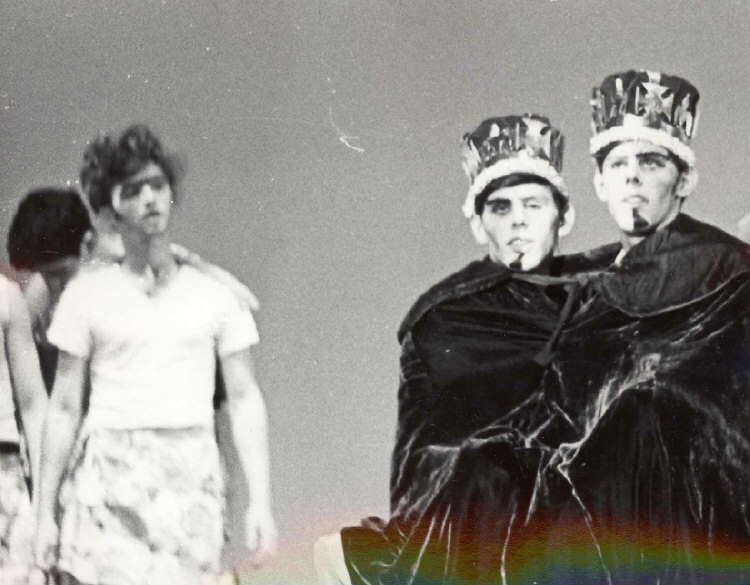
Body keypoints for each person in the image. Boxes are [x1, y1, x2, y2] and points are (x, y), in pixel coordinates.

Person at [314, 114, 577, 585]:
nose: (518, 219)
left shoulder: (597, 302)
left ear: (565, 216)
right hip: (472, 520)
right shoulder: (446, 317)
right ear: (478, 225)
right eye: (500, 208)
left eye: (533, 204)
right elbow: (433, 461)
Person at [531, 69, 750, 583]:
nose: (632, 177)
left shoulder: (726, 266)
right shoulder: (584, 292)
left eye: (651, 162)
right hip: (589, 496)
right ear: (599, 183)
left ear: (684, 180)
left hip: (701, 489)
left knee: (640, 418)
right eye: (618, 163)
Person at [32, 125, 276, 585]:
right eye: (133, 190)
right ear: (110, 209)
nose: (149, 199)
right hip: (110, 477)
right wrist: (44, 512)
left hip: (189, 478)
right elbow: (63, 407)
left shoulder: (214, 296)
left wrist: (260, 502)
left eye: (157, 186)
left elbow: (244, 399)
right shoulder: (87, 297)